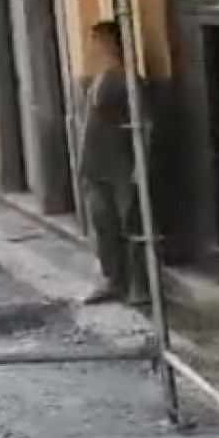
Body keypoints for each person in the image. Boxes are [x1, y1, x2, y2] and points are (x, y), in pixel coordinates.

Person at [79, 20, 141, 305]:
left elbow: (146, 123)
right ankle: (112, 279)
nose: (97, 47)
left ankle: (134, 283)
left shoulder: (128, 79)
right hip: (95, 162)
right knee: (103, 223)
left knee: (127, 223)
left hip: (118, 163)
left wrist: (140, 163)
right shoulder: (100, 77)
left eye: (101, 40)